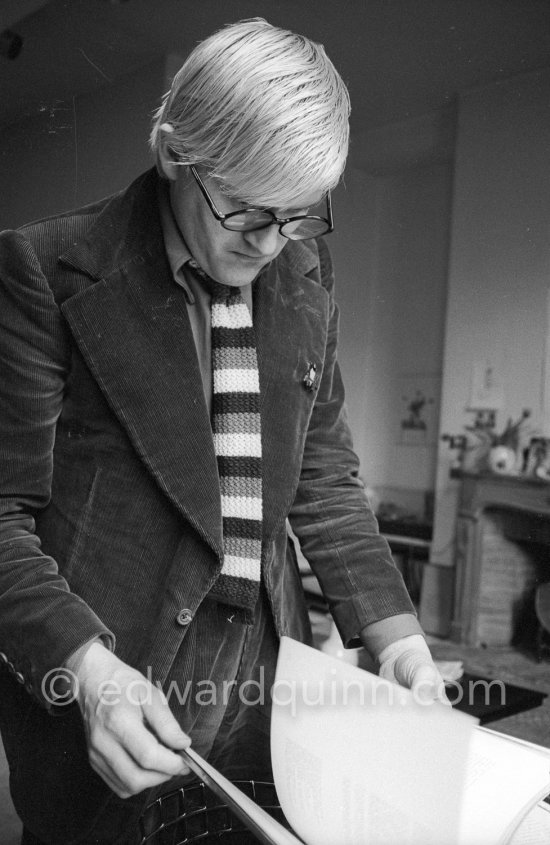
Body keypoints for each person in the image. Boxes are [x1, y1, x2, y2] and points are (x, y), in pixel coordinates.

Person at [0, 18, 446, 845]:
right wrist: (87, 673)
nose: (271, 243)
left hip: (266, 689)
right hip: (108, 683)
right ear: (176, 153)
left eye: (299, 216)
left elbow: (324, 482)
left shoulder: (301, 273)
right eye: (245, 209)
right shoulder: (43, 267)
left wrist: (400, 641)